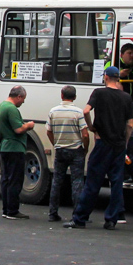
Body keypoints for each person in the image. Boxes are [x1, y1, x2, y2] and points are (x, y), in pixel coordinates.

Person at [65, 66, 133, 230]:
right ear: (118, 79)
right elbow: (130, 125)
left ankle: (80, 218)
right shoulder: (126, 98)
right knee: (117, 182)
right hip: (118, 145)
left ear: (105, 77)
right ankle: (111, 219)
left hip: (103, 142)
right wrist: (124, 142)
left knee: (93, 181)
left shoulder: (99, 93)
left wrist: (92, 128)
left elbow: (86, 110)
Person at [45, 85, 88, 222]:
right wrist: (85, 148)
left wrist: (56, 143)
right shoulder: (78, 112)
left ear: (61, 95)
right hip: (76, 150)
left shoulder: (53, 111)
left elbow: (48, 131)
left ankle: (53, 213)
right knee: (77, 182)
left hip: (60, 150)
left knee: (57, 181)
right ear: (74, 97)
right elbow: (85, 134)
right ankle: (77, 214)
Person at [0, 85, 37, 220]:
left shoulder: (0, 106)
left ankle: (6, 209)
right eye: (23, 99)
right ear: (18, 96)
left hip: (4, 147)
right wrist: (29, 125)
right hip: (15, 147)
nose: (23, 102)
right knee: (15, 180)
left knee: (6, 179)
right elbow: (18, 129)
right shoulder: (11, 109)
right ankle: (13, 210)